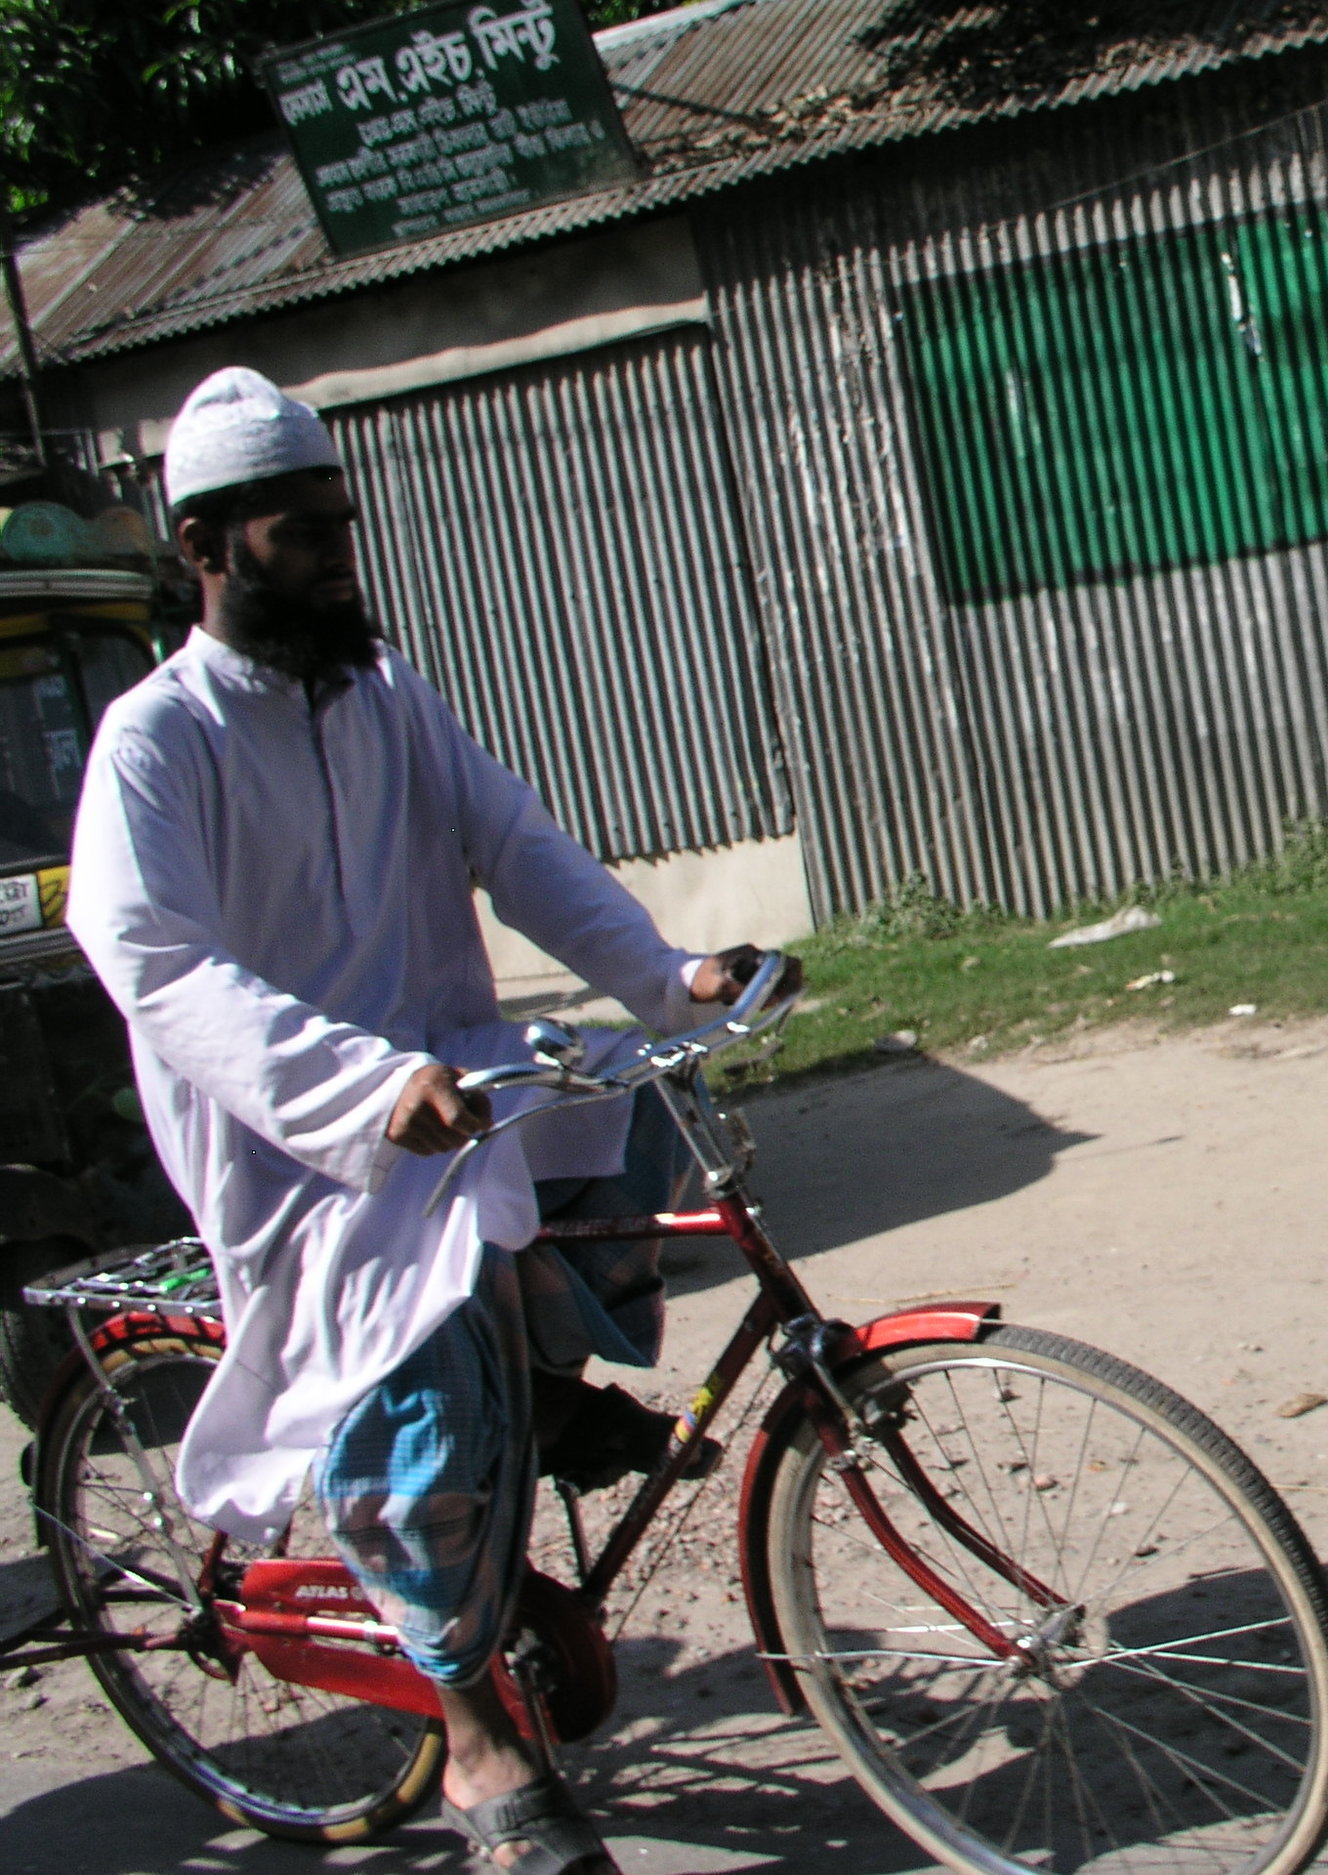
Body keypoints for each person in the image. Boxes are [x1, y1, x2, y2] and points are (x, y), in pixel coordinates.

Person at [66, 367, 800, 1875]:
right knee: (423, 1401)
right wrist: (357, 1090)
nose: (342, 550)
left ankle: (539, 1390)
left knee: (633, 1107)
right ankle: (473, 1751)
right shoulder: (157, 739)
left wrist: (668, 978)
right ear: (207, 545)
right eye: (301, 529)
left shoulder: (388, 693)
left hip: (453, 1074)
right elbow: (152, 956)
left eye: (345, 520)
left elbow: (513, 844)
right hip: (304, 1140)